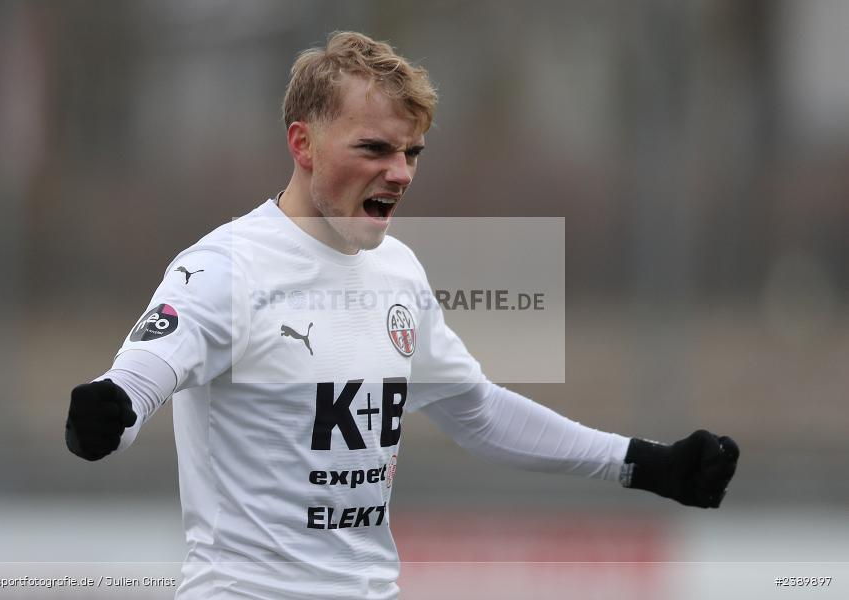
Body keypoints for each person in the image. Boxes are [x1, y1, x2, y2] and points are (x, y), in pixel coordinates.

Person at [64, 31, 739, 599]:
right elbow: (139, 379)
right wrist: (107, 413)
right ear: (303, 144)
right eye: (375, 149)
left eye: (411, 153)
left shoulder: (398, 271)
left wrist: (644, 464)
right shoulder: (225, 267)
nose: (400, 173)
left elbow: (474, 410)